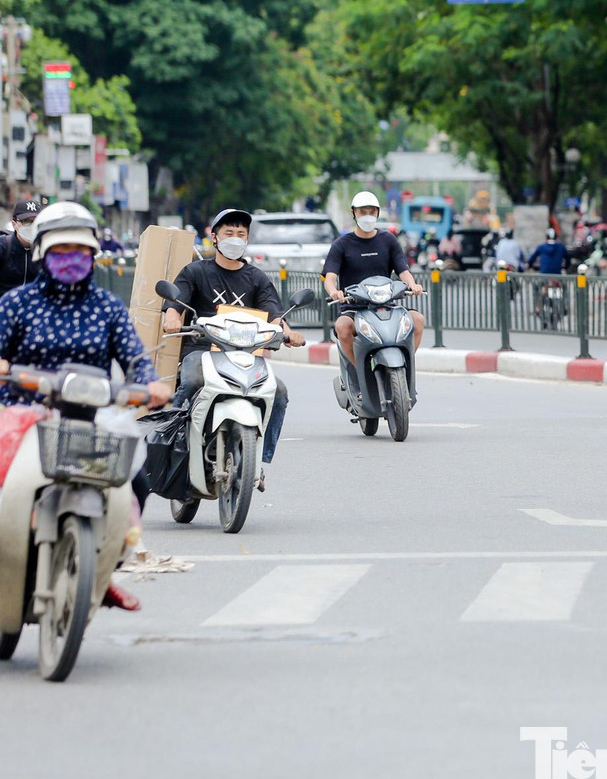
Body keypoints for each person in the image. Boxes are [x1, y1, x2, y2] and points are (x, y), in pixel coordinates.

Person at [0, 202, 172, 611]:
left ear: (93, 255)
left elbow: (133, 358)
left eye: (80, 251)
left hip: (90, 418)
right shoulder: (15, 304)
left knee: (135, 484)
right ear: (42, 252)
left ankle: (102, 572)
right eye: (61, 251)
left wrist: (151, 384)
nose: (70, 259)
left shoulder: (107, 307)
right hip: (19, 417)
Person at [163, 208, 306, 485]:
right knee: (192, 380)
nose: (235, 238)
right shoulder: (195, 271)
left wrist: (288, 332)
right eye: (229, 233)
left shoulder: (257, 277)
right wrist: (171, 318)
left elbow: (275, 314)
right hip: (201, 351)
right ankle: (173, 440)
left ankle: (258, 461)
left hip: (245, 354)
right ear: (214, 238)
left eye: (241, 234)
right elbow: (174, 304)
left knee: (279, 392)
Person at [324, 191, 425, 369]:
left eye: (371, 211)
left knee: (417, 319)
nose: (367, 216)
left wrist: (413, 284)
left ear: (378, 213)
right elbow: (330, 278)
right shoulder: (341, 245)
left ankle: (405, 365)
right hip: (354, 308)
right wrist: (334, 292)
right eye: (363, 212)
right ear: (353, 212)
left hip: (386, 306)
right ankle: (359, 372)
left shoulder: (388, 240)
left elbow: (403, 271)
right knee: (342, 327)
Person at [0, 199, 43, 298]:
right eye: (26, 221)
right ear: (14, 224)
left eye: (36, 222)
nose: (31, 226)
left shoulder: (44, 251)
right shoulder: (3, 247)